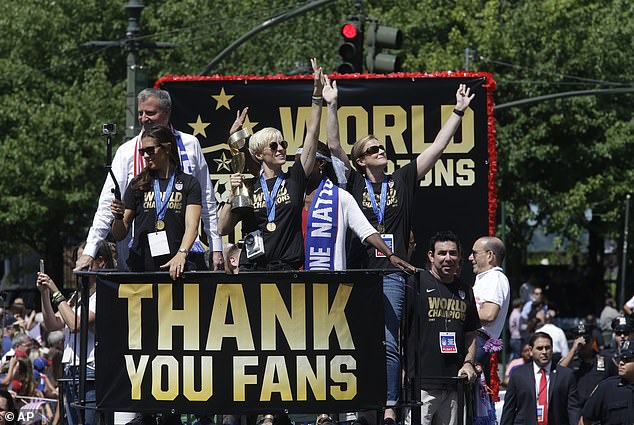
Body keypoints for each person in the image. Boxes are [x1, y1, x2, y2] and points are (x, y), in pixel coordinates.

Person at [333, 85, 474, 424]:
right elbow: (335, 145)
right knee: (354, 337)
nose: (382, 150)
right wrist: (331, 103)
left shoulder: (402, 180)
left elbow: (437, 149)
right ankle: (356, 401)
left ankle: (391, 405)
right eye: (373, 148)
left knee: (389, 339)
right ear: (361, 160)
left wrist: (458, 111)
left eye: (382, 146)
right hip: (360, 272)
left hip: (393, 273)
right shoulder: (352, 181)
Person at [75, 87, 223, 272]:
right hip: (138, 255)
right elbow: (107, 204)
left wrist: (216, 246)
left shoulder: (190, 145)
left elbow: (207, 199)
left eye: (150, 113)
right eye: (140, 113)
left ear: (167, 112)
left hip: (183, 256)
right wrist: (90, 250)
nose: (144, 118)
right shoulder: (126, 152)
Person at [217, 58, 323, 272]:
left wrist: (317, 96)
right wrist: (232, 194)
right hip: (252, 268)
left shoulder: (295, 178)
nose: (281, 149)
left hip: (286, 269)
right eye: (273, 146)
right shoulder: (249, 186)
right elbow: (222, 228)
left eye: (282, 143)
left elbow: (312, 133)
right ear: (258, 154)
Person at [404, 231, 480, 425]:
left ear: (460, 256)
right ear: (431, 256)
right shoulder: (415, 284)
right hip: (422, 385)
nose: (448, 258)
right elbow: (399, 330)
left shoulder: (465, 290)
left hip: (455, 384)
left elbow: (471, 334)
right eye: (442, 253)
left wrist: (469, 363)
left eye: (453, 253)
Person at [37, 240, 114, 425]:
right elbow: (53, 324)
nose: (77, 267)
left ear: (101, 261)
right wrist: (45, 294)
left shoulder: (105, 292)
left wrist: (55, 291)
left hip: (90, 371)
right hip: (71, 371)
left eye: (82, 260)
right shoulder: (76, 296)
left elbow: (75, 324)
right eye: (76, 262)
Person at [111, 124, 202, 280]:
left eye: (150, 150)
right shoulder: (137, 184)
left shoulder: (189, 183)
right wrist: (118, 217)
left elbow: (192, 226)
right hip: (141, 270)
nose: (145, 156)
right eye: (142, 151)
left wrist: (181, 254)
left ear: (167, 148)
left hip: (176, 270)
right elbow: (119, 234)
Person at [500, 332, 580, 425]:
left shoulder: (566, 375)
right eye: (539, 348)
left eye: (547, 348)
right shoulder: (518, 375)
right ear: (530, 350)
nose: (544, 352)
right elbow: (509, 409)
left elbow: (573, 409)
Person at [468, 236, 510, 381]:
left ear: (490, 255)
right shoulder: (486, 278)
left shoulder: (495, 278)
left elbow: (489, 314)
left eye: (474, 253)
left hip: (478, 340)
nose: (470, 258)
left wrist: (458, 314)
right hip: (476, 339)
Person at [579, 339, 634, 424]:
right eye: (621, 358)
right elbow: (584, 421)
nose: (621, 363)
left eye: (627, 360)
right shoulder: (606, 387)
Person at [558, 321, 610, 408]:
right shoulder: (571, 361)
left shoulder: (604, 360)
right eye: (579, 341)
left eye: (586, 340)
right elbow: (559, 373)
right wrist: (574, 349)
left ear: (593, 340)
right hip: (577, 410)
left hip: (599, 410)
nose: (583, 344)